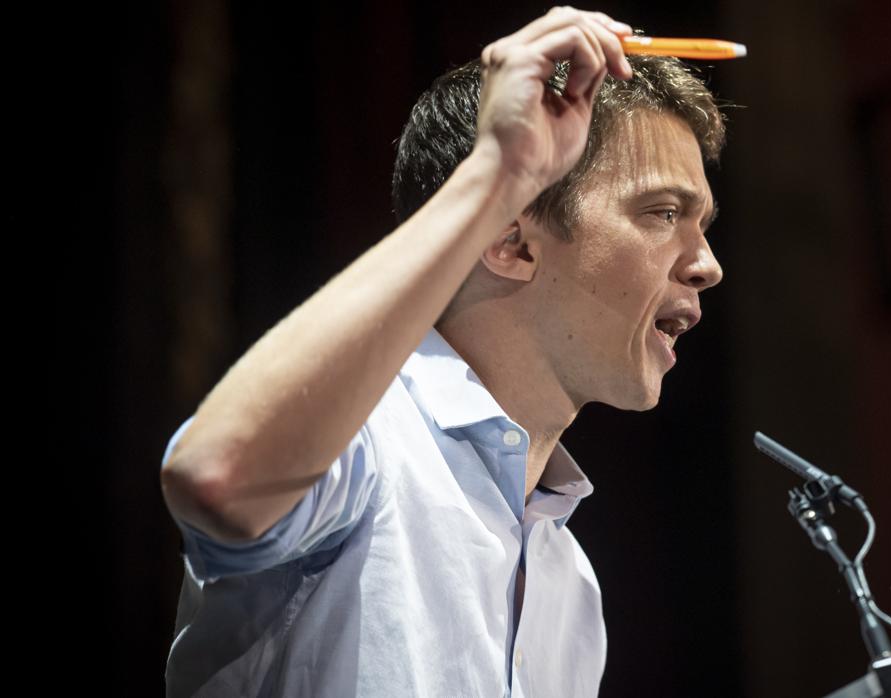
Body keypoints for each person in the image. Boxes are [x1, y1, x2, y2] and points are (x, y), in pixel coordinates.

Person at [159, 7, 727, 696]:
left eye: (701, 224)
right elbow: (216, 474)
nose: (707, 265)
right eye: (664, 213)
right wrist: (499, 168)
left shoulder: (571, 586)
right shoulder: (368, 441)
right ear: (511, 240)